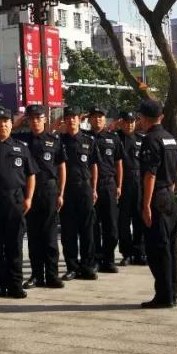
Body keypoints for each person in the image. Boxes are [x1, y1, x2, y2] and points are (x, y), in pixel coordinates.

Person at [0, 107, 35, 299]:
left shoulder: (21, 147)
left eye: (6, 121)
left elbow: (31, 174)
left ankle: (15, 284)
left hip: (15, 202)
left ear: (11, 124)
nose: (2, 125)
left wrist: (28, 198)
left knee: (14, 245)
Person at [137, 99, 177, 309]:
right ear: (160, 116)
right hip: (169, 195)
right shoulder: (170, 138)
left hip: (157, 197)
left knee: (157, 249)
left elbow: (150, 175)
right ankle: (172, 292)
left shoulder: (150, 140)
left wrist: (146, 205)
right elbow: (174, 170)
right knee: (170, 247)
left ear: (144, 118)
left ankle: (164, 296)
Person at [21, 104, 66, 289]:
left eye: (38, 118)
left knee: (50, 236)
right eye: (31, 119)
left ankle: (52, 275)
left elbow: (62, 167)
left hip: (49, 191)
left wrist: (61, 193)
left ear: (45, 119)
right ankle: (36, 275)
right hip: (29, 193)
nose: (35, 122)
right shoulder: (22, 140)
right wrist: (18, 122)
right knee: (33, 236)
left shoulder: (54, 140)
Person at [58, 106, 99, 281]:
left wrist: (94, 188)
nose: (71, 120)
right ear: (65, 120)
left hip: (85, 189)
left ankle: (87, 266)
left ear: (79, 119)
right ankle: (72, 267)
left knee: (87, 230)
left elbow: (94, 166)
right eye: (68, 117)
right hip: (67, 191)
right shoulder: (59, 141)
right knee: (68, 231)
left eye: (74, 117)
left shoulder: (89, 140)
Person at [85, 106, 123, 272]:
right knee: (92, 225)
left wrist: (119, 185)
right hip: (89, 186)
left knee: (111, 226)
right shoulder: (84, 137)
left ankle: (109, 259)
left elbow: (119, 163)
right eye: (94, 116)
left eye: (101, 116)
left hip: (108, 184)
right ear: (89, 119)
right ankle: (95, 258)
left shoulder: (113, 138)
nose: (98, 119)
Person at [115, 110, 146, 266]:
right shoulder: (115, 138)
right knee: (124, 220)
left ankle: (139, 252)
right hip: (122, 183)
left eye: (132, 122)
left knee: (139, 218)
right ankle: (126, 253)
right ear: (121, 122)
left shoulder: (141, 139)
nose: (129, 125)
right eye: (126, 122)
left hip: (139, 182)